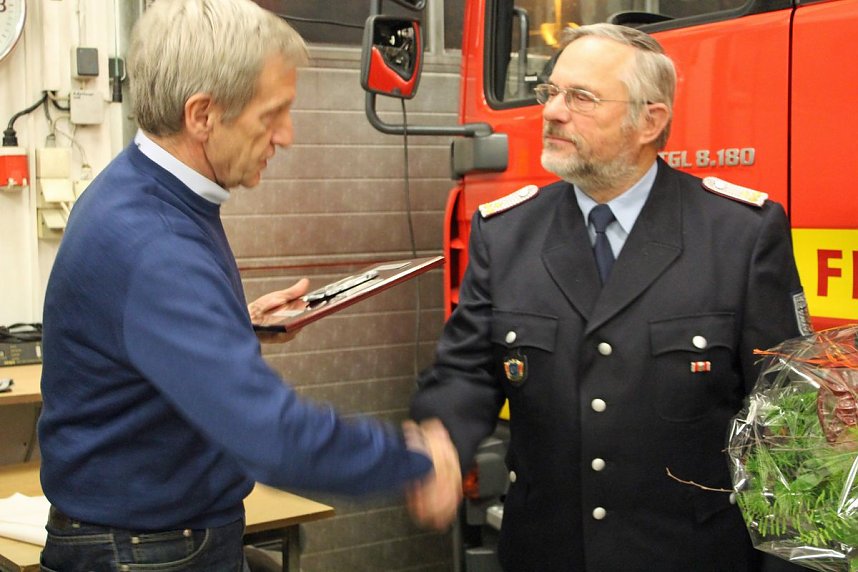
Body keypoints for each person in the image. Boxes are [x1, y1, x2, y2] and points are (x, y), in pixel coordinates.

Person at [37, 1, 459, 570]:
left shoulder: (140, 191)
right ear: (203, 115)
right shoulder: (156, 243)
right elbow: (270, 436)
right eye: (273, 114)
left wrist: (231, 325)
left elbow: (141, 336)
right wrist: (415, 461)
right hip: (148, 550)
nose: (287, 135)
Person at [411, 23, 810, 572]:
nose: (551, 112)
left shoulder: (739, 235)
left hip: (690, 554)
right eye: (549, 92)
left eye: (581, 97)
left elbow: (786, 423)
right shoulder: (506, 234)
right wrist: (442, 441)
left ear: (650, 120)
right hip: (546, 553)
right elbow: (467, 372)